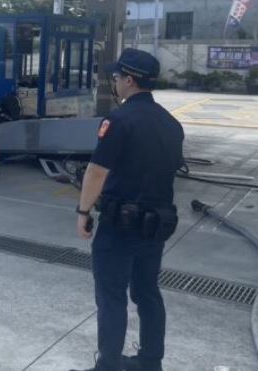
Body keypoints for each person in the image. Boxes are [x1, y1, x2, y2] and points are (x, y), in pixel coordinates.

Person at [72, 48, 183, 371]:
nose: (115, 83)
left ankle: (108, 365)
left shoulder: (118, 120)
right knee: (147, 292)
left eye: (117, 77)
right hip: (156, 226)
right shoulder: (171, 124)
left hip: (120, 226)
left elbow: (96, 171)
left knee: (111, 296)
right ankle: (150, 361)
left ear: (130, 80)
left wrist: (83, 212)